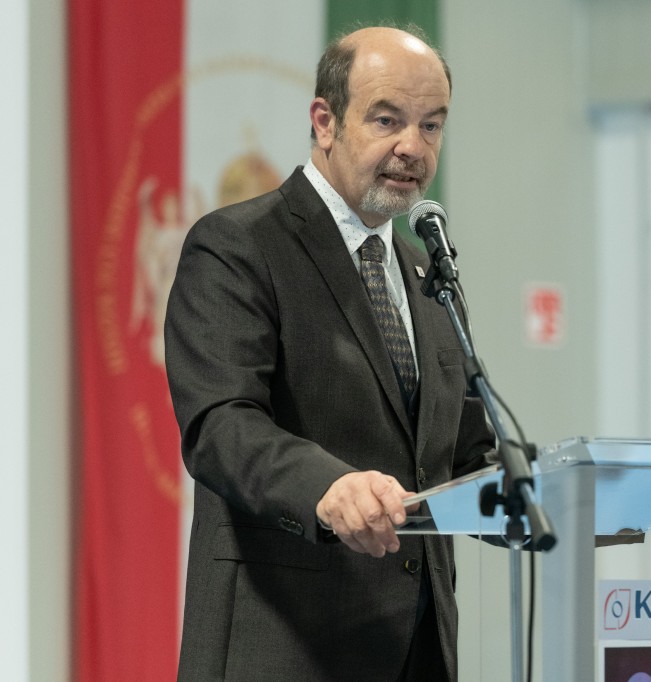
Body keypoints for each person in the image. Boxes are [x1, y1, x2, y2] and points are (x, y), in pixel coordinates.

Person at [164, 26, 495, 681]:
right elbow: (221, 425)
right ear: (325, 122)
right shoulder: (238, 246)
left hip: (416, 654)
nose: (413, 147)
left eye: (431, 125)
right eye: (387, 120)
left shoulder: (426, 273)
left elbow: (464, 454)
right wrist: (327, 487)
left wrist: (558, 496)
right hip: (283, 649)